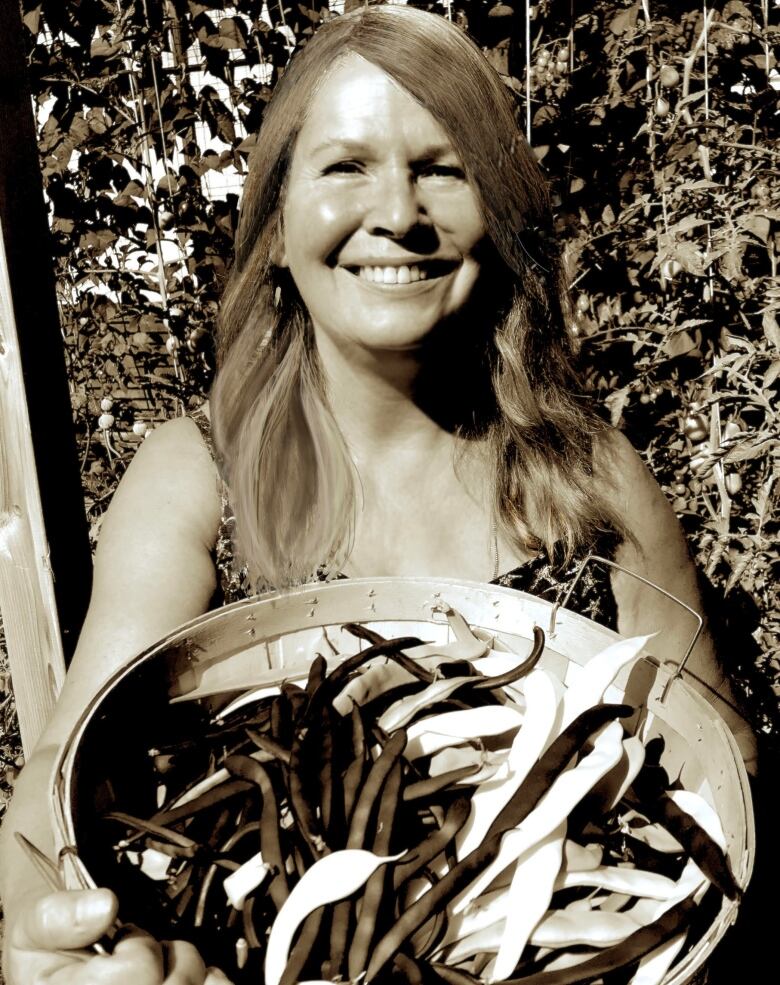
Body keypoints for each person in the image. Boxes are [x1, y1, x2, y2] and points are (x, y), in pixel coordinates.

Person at [0, 5, 758, 984]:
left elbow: (716, 755)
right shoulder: (198, 480)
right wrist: (44, 934)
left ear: (502, 216)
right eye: (346, 165)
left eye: (442, 167)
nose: (397, 210)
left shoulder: (591, 475)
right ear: (274, 227)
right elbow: (56, 784)